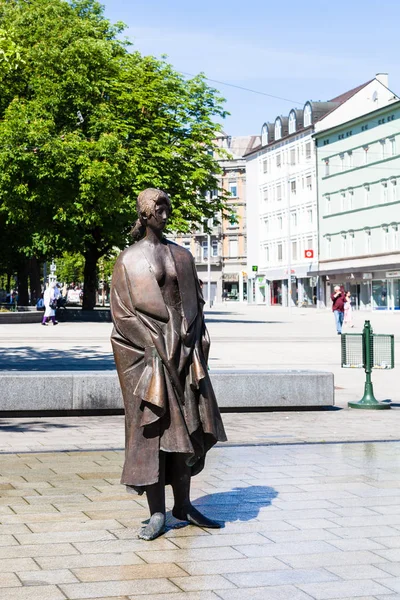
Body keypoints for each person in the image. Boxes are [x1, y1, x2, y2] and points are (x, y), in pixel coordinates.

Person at [110, 188, 227, 541]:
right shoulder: (128, 260)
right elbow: (122, 314)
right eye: (158, 209)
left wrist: (195, 339)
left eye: (167, 208)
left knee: (189, 428)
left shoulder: (183, 255)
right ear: (144, 214)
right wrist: (152, 343)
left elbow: (197, 305)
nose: (165, 214)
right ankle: (157, 512)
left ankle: (184, 504)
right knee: (154, 431)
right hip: (148, 357)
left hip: (185, 351)